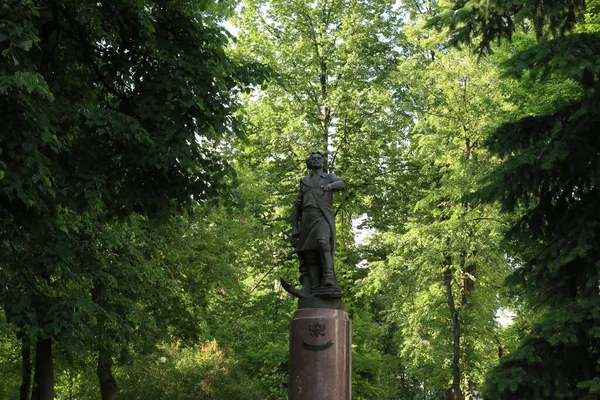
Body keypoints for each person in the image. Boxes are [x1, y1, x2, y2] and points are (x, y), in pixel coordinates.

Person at [288, 151, 345, 298]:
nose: (315, 160)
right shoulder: (305, 181)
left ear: (323, 161)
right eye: (313, 159)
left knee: (322, 243)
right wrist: (295, 227)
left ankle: (329, 278)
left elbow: (341, 183)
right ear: (309, 162)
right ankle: (314, 287)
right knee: (308, 252)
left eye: (318, 158)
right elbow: (297, 206)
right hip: (307, 218)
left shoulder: (329, 177)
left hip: (322, 216)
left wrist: (331, 186)